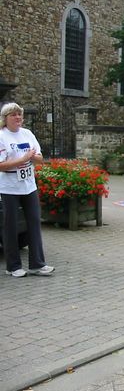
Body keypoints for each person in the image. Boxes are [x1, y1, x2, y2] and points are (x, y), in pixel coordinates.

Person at [0, 102, 54, 277]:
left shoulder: (28, 134)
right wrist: (23, 159)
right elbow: (1, 165)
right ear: (5, 119)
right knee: (11, 226)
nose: (18, 118)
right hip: (9, 187)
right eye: (13, 115)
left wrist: (33, 158)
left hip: (29, 185)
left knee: (34, 222)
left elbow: (40, 158)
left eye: (19, 115)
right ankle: (13, 266)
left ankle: (37, 264)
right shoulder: (2, 136)